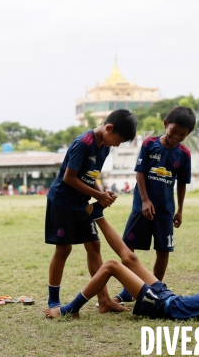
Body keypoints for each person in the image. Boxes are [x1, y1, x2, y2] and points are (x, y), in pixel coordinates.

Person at [44, 204, 199, 323]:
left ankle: (69, 309)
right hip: (168, 296)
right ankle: (97, 214)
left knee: (111, 266)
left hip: (161, 305)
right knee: (130, 258)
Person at [45, 109, 137, 313]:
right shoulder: (83, 143)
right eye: (119, 140)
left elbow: (89, 175)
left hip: (81, 203)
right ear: (109, 128)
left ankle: (104, 301)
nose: (117, 144)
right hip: (62, 201)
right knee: (64, 249)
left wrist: (101, 192)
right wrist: (98, 196)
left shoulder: (104, 145)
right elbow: (69, 177)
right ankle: (53, 301)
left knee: (94, 245)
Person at [114, 106, 196, 303]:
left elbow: (182, 183)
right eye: (173, 131)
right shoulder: (150, 144)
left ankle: (155, 289)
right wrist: (144, 200)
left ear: (188, 134)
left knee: (163, 251)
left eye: (182, 134)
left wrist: (180, 210)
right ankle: (128, 290)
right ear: (165, 124)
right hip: (141, 208)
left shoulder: (184, 154)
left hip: (165, 211)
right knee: (128, 247)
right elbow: (140, 172)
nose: (176, 136)